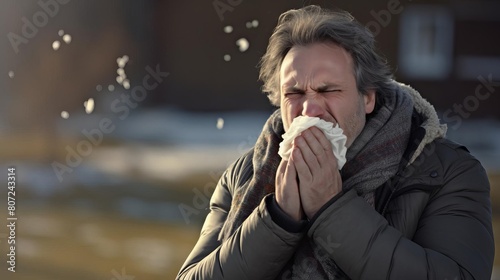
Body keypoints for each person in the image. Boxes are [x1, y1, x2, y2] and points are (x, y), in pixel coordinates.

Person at [177, 5, 494, 280]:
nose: (309, 109)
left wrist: (332, 209)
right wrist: (277, 218)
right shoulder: (247, 175)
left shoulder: (445, 174)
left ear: (367, 97)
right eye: (295, 93)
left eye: (328, 91)